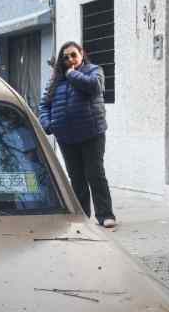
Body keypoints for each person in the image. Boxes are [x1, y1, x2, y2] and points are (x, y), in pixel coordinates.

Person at [39, 41, 117, 229]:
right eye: (65, 57)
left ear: (82, 54)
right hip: (66, 136)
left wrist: (72, 74)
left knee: (95, 174)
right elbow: (44, 105)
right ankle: (82, 216)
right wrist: (49, 125)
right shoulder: (55, 80)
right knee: (76, 178)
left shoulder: (93, 71)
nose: (70, 59)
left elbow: (95, 87)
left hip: (91, 133)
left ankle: (105, 214)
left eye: (73, 55)